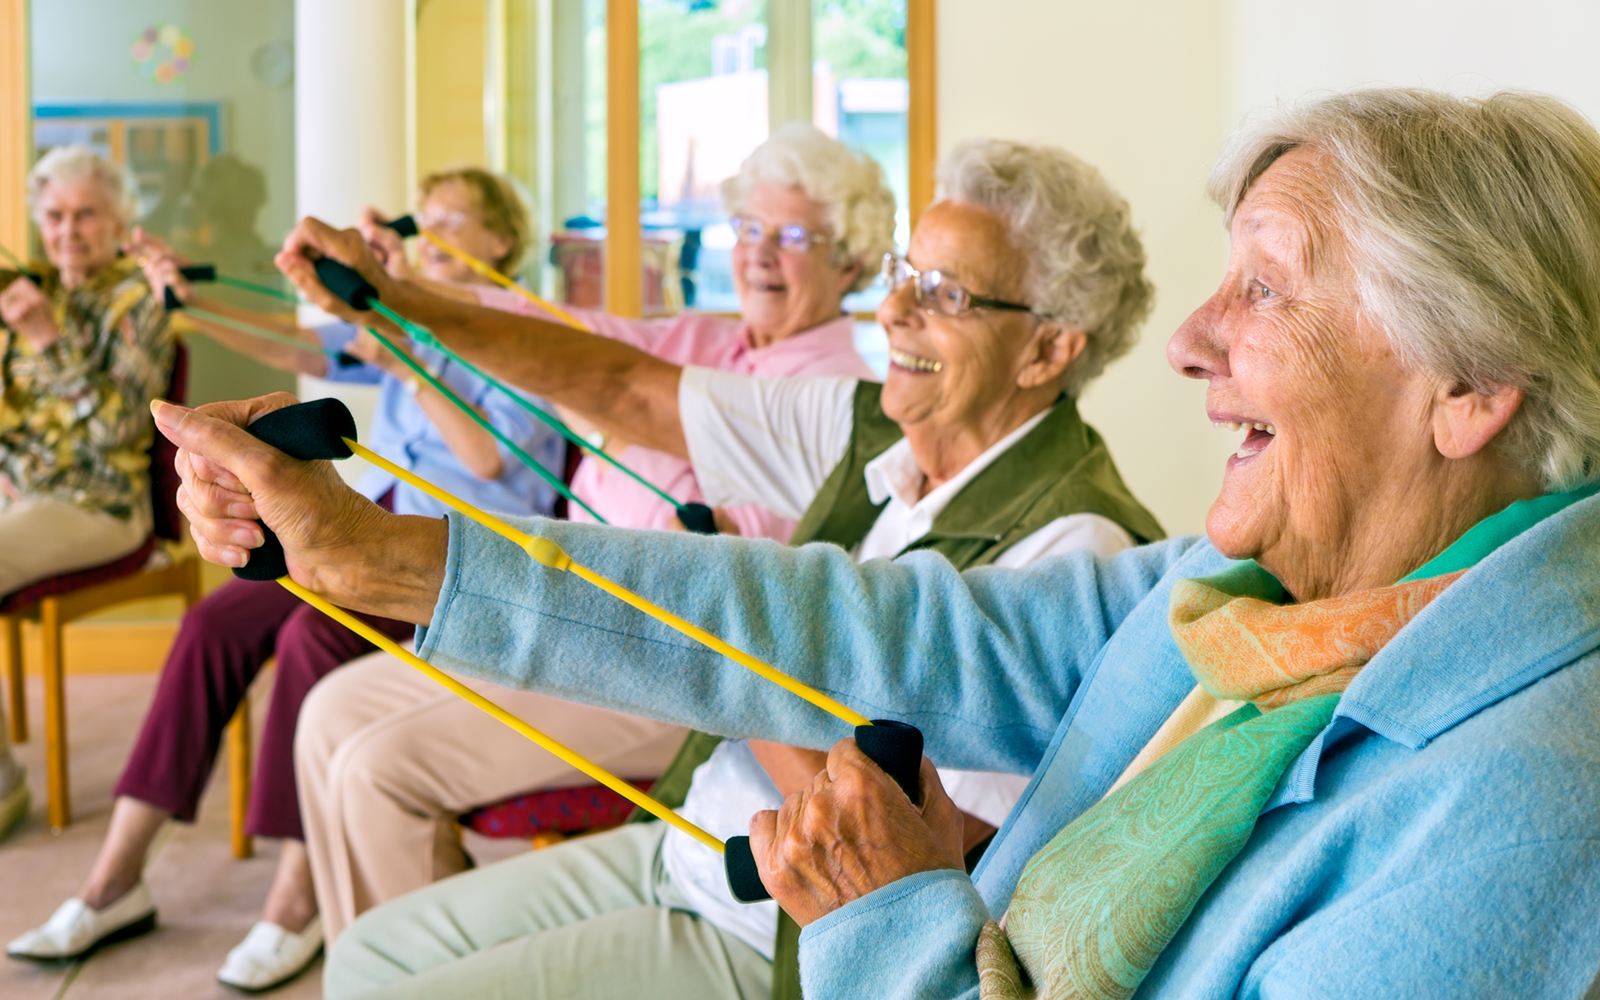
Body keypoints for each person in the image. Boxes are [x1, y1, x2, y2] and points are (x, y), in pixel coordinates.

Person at [163, 87, 1600, 997]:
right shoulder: (1236, 599)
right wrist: (378, 557)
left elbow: (901, 797)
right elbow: (851, 620)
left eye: (1267, 293)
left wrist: (905, 915)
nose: (1196, 344)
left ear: (1467, 390)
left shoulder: (1520, 810)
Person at [292, 124, 898, 945]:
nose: (760, 254)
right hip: (562, 619)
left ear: (851, 261)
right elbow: (566, 342)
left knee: (373, 769)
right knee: (327, 715)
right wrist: (397, 292)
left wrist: (623, 417)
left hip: (671, 668)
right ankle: (387, 965)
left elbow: (749, 561)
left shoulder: (837, 392)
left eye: (792, 237)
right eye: (749, 229)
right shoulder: (704, 341)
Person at [5, 167, 564, 993]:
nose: (430, 230)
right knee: (212, 626)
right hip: (385, 525)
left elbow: (487, 461)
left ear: (501, 241)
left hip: (466, 560)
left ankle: (294, 898)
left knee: (310, 637)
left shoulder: (525, 334)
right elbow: (296, 348)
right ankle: (113, 879)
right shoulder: (411, 319)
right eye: (427, 216)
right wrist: (185, 302)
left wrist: (404, 355)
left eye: (454, 218)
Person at [0, 146, 177, 843]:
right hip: (22, 498)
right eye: (54, 215)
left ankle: (3, 790)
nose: (68, 230)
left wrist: (45, 337)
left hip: (100, 505)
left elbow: (117, 428)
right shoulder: (34, 286)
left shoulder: (140, 299)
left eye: (86, 214)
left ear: (119, 219)